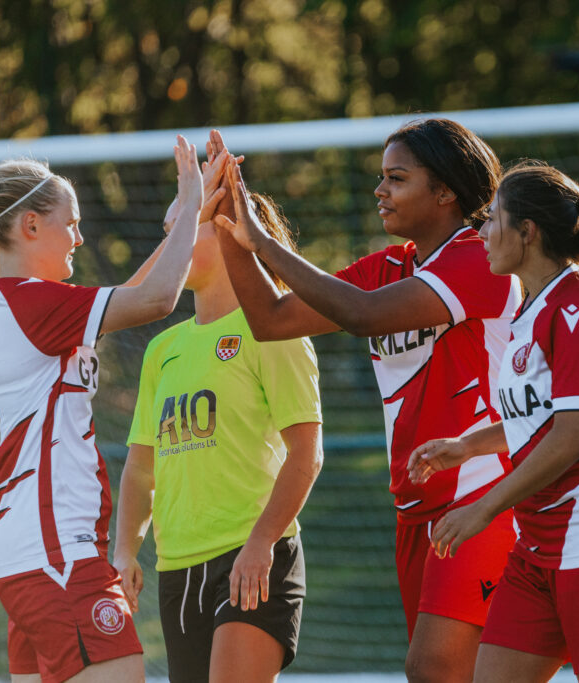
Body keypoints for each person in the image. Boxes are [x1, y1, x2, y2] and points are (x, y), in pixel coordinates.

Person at [210, 120, 522, 682]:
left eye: (396, 178)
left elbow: (363, 315)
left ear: (445, 191)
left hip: (484, 496)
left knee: (432, 670)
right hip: (415, 510)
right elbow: (271, 320)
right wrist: (229, 226)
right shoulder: (389, 267)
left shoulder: (480, 257)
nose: (380, 190)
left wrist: (263, 240)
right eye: (381, 177)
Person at [407, 161, 579, 682]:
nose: (480, 233)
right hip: (536, 552)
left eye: (492, 220)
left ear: (526, 232)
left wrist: (482, 508)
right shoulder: (531, 309)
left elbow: (570, 439)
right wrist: (465, 446)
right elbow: (538, 420)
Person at [0, 137, 204, 683]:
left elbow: (131, 293)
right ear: (31, 226)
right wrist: (194, 204)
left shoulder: (11, 301)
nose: (79, 237)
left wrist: (185, 228)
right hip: (56, 552)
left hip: (29, 553)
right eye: (70, 223)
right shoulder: (27, 302)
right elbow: (155, 299)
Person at [112, 137, 323, 683]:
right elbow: (141, 468)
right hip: (177, 568)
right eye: (166, 234)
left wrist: (261, 542)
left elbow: (307, 452)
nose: (171, 245)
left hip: (251, 557)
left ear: (229, 227)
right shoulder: (164, 349)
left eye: (183, 228)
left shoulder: (275, 328)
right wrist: (124, 552)